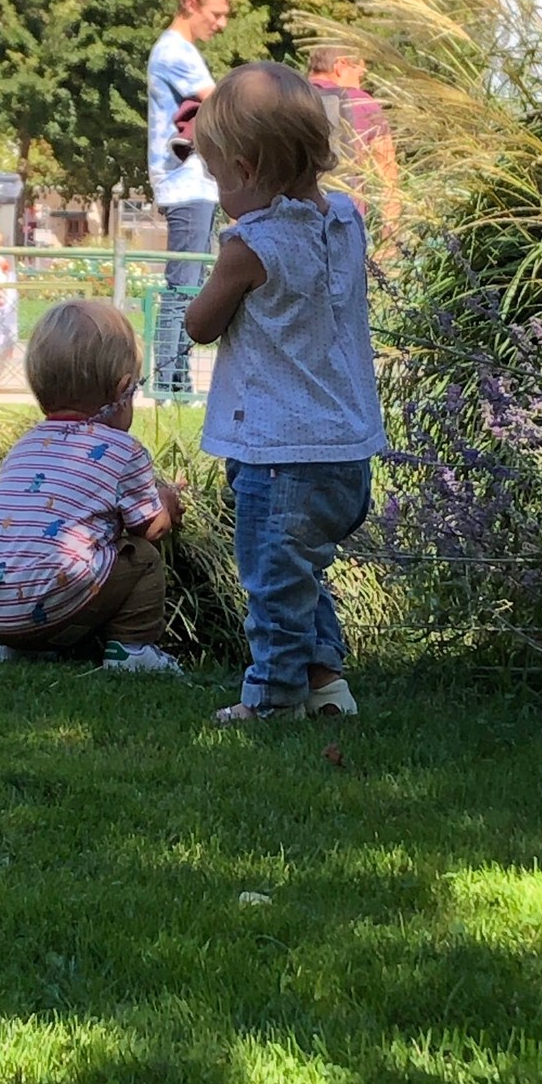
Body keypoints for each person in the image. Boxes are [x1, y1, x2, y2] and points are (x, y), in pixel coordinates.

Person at [184, 61, 387, 722]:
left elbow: (200, 325)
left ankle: (272, 698)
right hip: (346, 448)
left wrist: (217, 282)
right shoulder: (347, 220)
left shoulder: (249, 246)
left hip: (280, 451)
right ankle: (326, 684)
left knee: (273, 581)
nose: (219, 192)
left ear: (245, 170)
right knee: (303, 570)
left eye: (218, 177)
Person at [0, 301, 184, 672]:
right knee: (141, 557)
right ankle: (132, 650)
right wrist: (166, 502)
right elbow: (151, 528)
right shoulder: (123, 450)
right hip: (50, 598)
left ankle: (16, 648)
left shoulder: (24, 446)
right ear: (122, 391)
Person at [147, 0, 232, 393]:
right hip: (186, 186)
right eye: (216, 14)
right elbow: (220, 102)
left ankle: (174, 380)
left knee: (189, 282)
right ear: (191, 5)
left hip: (193, 185)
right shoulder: (175, 51)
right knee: (183, 283)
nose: (221, 24)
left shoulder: (181, 50)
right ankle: (168, 383)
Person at [306, 45, 401, 244]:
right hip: (345, 226)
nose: (360, 83)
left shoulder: (284, 97)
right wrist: (390, 241)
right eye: (359, 74)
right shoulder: (361, 103)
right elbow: (388, 176)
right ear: (341, 66)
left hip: (289, 226)